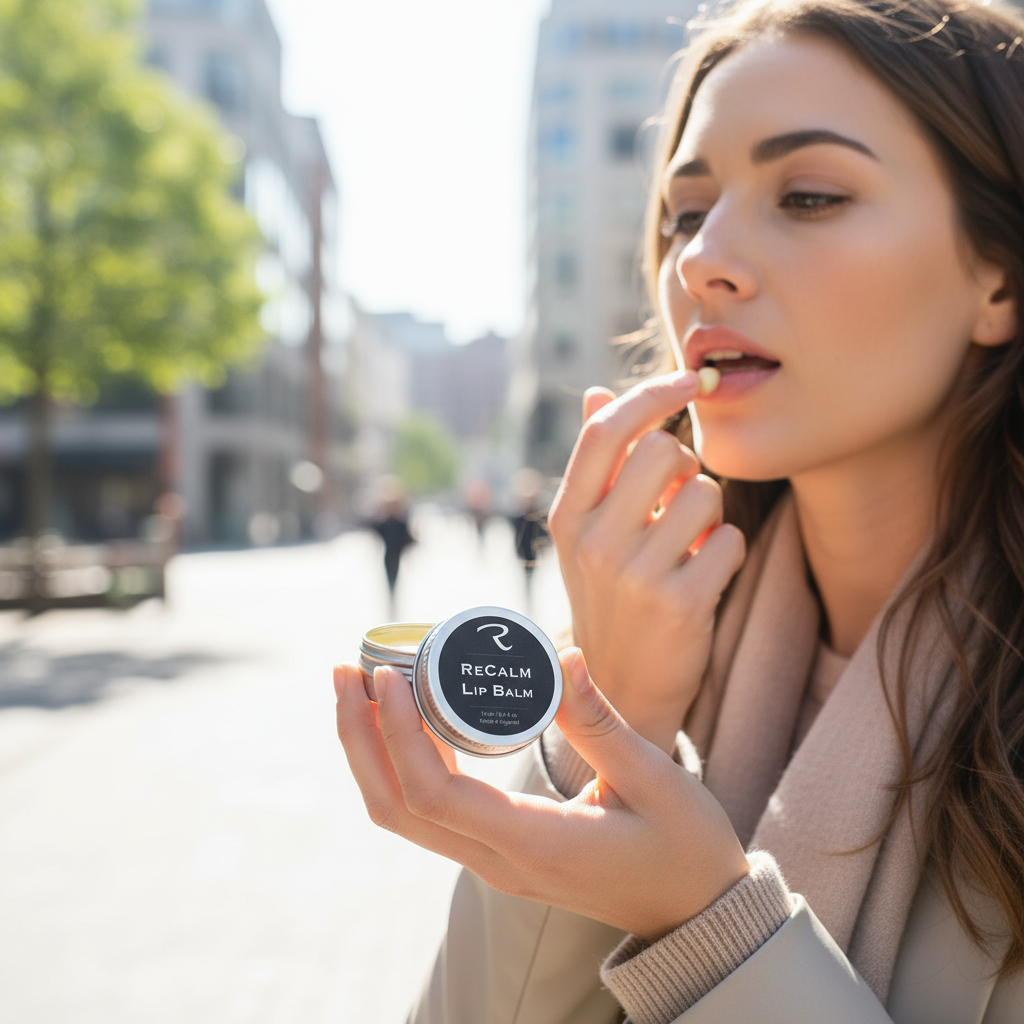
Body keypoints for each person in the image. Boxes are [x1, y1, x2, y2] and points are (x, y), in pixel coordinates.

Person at [333, 0, 1024, 1018]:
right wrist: (605, 729)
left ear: (998, 277)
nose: (701, 263)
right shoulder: (654, 648)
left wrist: (704, 924)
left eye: (811, 195)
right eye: (687, 212)